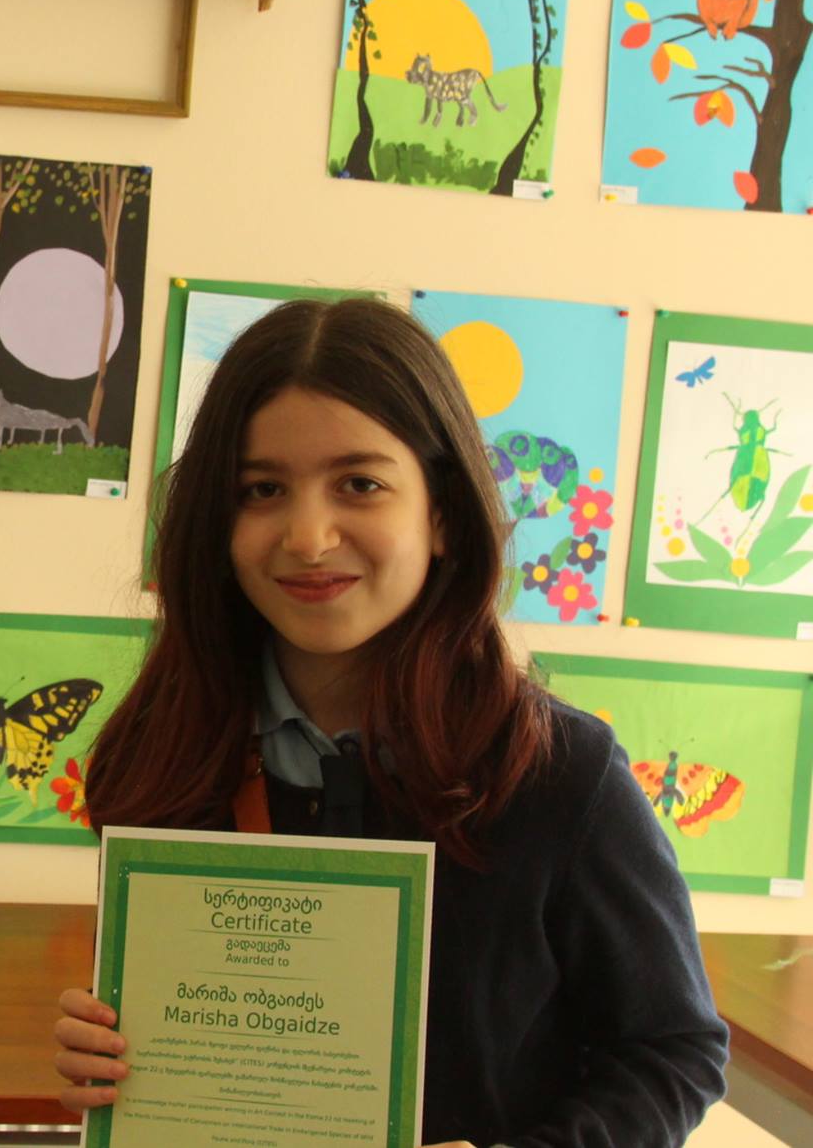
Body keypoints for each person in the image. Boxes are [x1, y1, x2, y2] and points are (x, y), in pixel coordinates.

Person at [51, 300, 728, 1147]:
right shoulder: (166, 751)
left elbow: (675, 1049)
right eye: (262, 489)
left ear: (442, 513)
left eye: (360, 484)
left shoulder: (558, 771)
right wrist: (109, 1050)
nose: (308, 537)